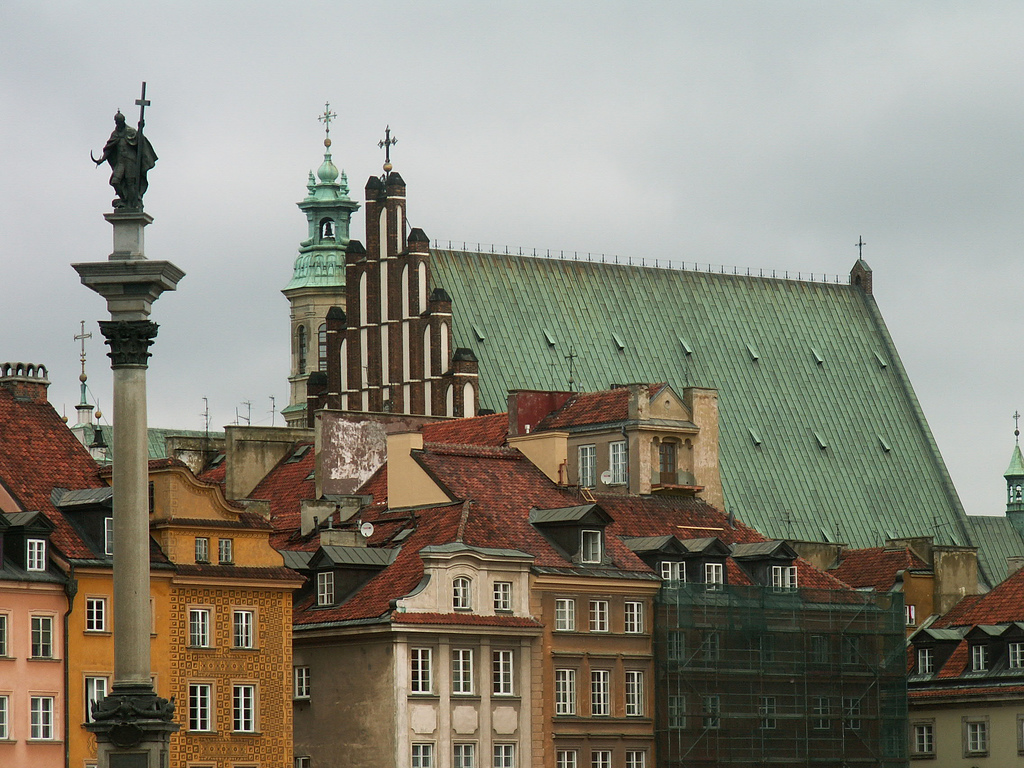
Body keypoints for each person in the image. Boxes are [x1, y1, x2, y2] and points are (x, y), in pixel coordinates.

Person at [93, 110, 157, 210]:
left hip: (131, 160)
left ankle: (133, 203)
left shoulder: (130, 131)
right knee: (115, 181)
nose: (118, 124)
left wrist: (140, 129)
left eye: (120, 122)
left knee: (130, 182)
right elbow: (109, 148)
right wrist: (102, 160)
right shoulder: (115, 133)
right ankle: (124, 200)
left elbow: (139, 140)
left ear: (123, 121)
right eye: (117, 122)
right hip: (120, 162)